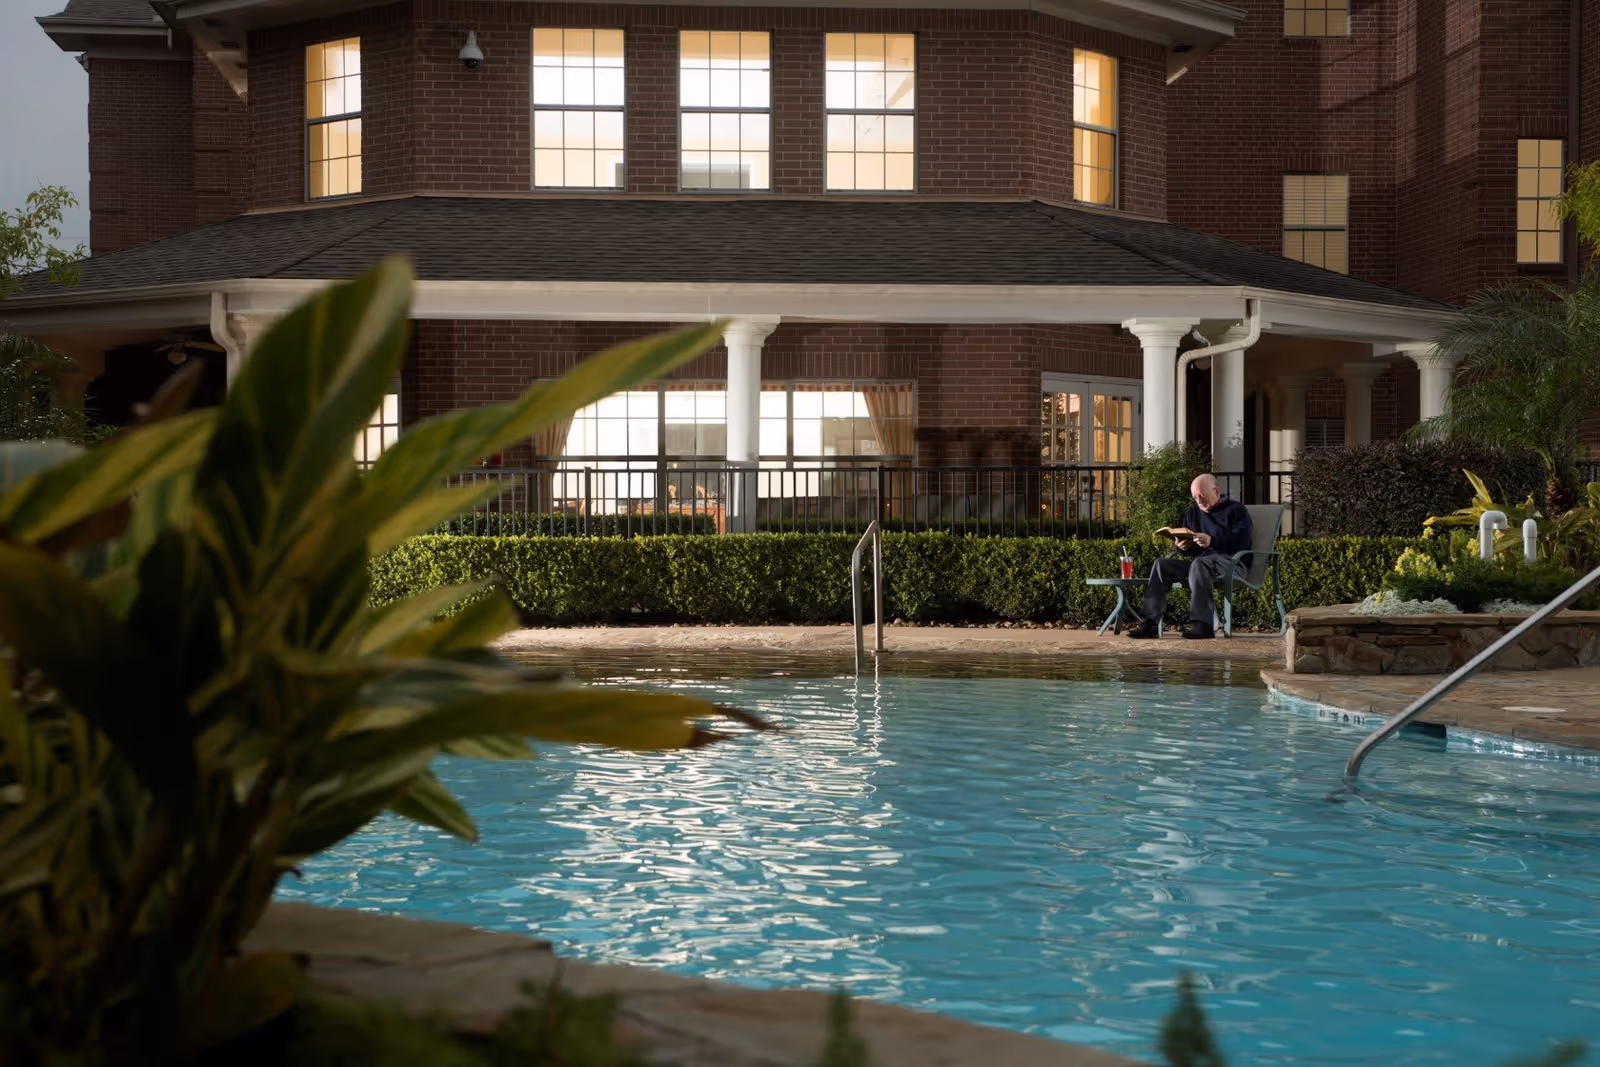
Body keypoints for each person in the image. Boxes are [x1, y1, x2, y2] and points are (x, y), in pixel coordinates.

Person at [1128, 473, 1253, 640]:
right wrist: (1182, 547)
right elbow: (1191, 545)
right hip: (1201, 567)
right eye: (1195, 497)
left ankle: (1203, 624)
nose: (1199, 501)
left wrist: (1212, 541)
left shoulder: (1236, 510)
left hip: (1232, 564)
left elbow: (1242, 541)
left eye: (1202, 496)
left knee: (1199, 563)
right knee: (1161, 565)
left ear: (1216, 491)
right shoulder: (1194, 511)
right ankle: (1150, 623)